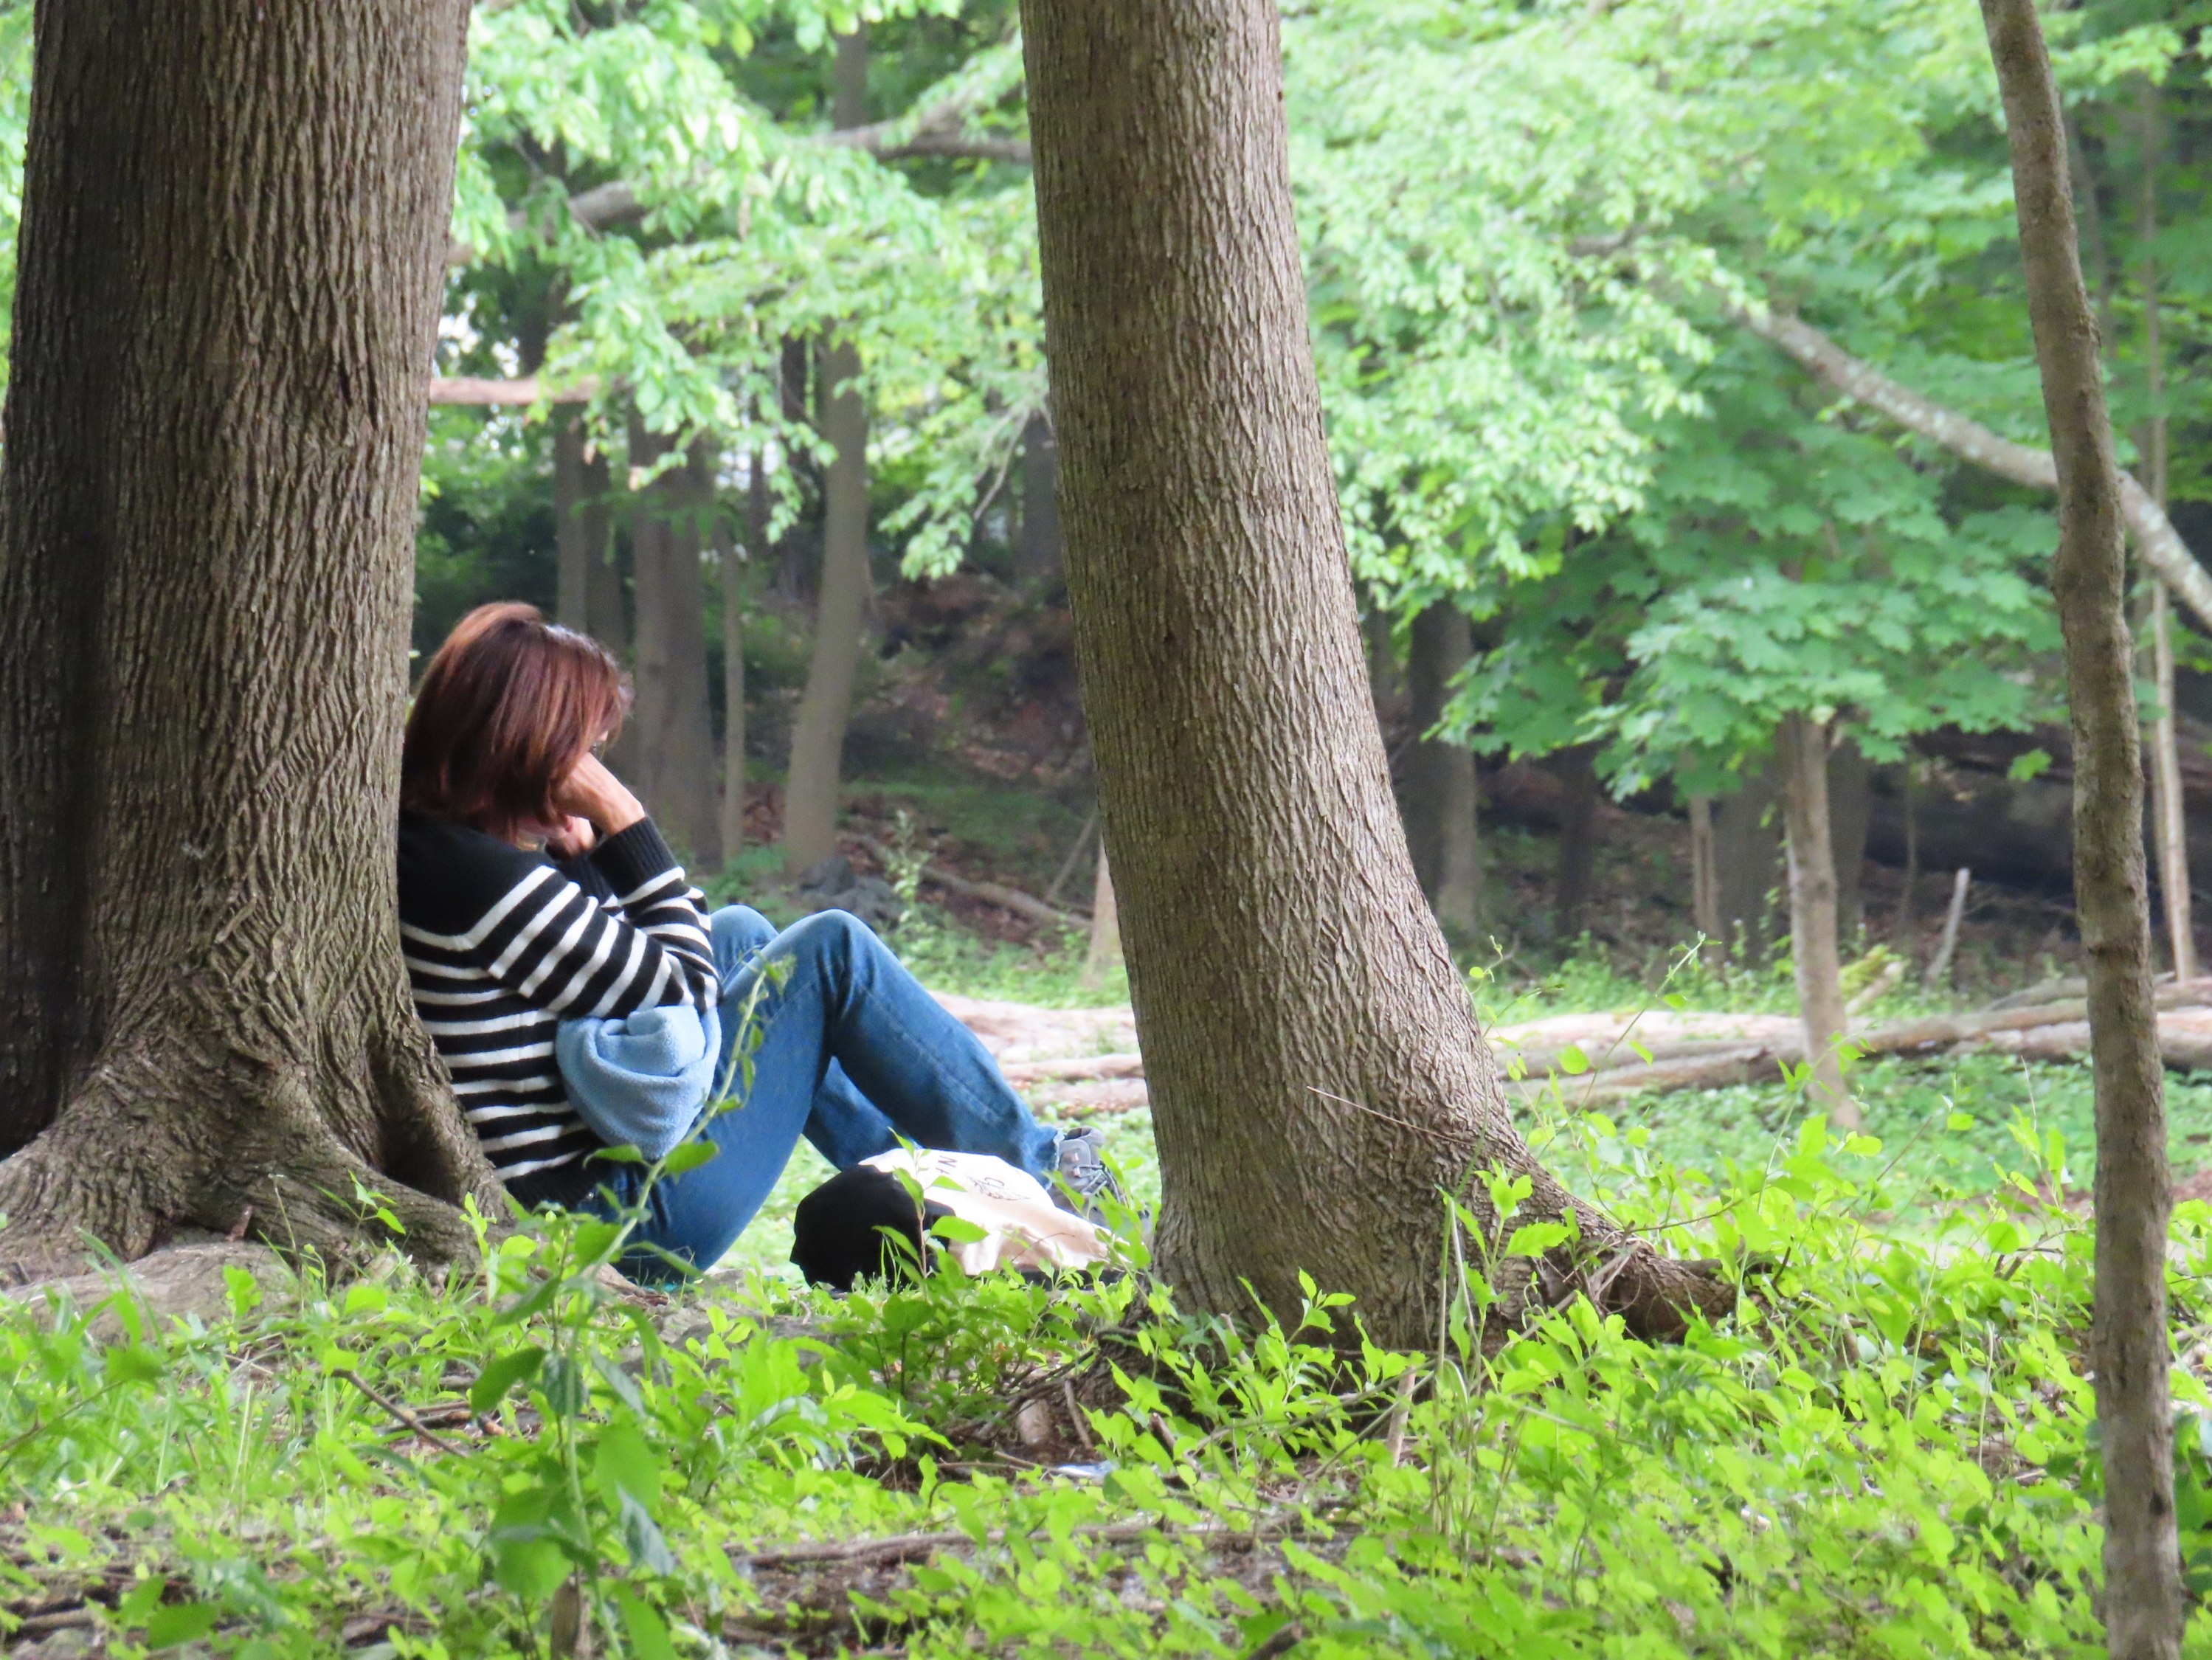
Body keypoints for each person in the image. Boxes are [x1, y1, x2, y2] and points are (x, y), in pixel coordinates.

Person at [396, 602, 1111, 1279]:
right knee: (831, 952)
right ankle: (1043, 1174)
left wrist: (585, 860)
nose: (594, 766)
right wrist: (624, 821)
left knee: (741, 935)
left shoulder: (452, 852)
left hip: (603, 1195)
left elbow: (650, 960)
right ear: (535, 743)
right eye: (588, 746)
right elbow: (681, 983)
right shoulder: (478, 877)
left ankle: (941, 1196)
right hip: (625, 1223)